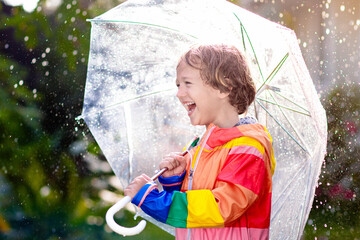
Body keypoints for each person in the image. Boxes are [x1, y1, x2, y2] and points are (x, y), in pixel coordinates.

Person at [124, 44, 276, 240]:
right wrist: (175, 181)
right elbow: (193, 207)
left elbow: (220, 207)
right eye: (178, 85)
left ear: (224, 87)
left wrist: (154, 200)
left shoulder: (249, 149)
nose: (179, 93)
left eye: (187, 83)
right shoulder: (199, 146)